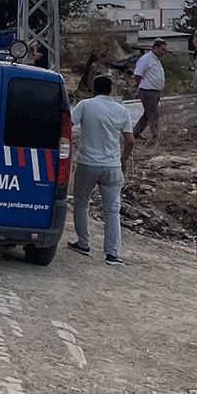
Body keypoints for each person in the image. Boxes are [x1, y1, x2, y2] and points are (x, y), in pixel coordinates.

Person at [68, 75, 135, 265]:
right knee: (112, 210)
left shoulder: (85, 105)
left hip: (88, 163)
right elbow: (130, 141)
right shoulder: (122, 110)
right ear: (110, 90)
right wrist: (123, 160)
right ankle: (112, 254)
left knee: (82, 203)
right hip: (112, 166)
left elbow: (67, 124)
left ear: (93, 89)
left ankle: (83, 243)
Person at [131, 40, 167, 142]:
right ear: (155, 48)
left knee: (148, 114)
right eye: (162, 49)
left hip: (154, 91)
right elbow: (138, 75)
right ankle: (155, 137)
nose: (163, 52)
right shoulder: (146, 59)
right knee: (153, 115)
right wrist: (141, 86)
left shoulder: (156, 60)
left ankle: (135, 133)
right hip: (148, 91)